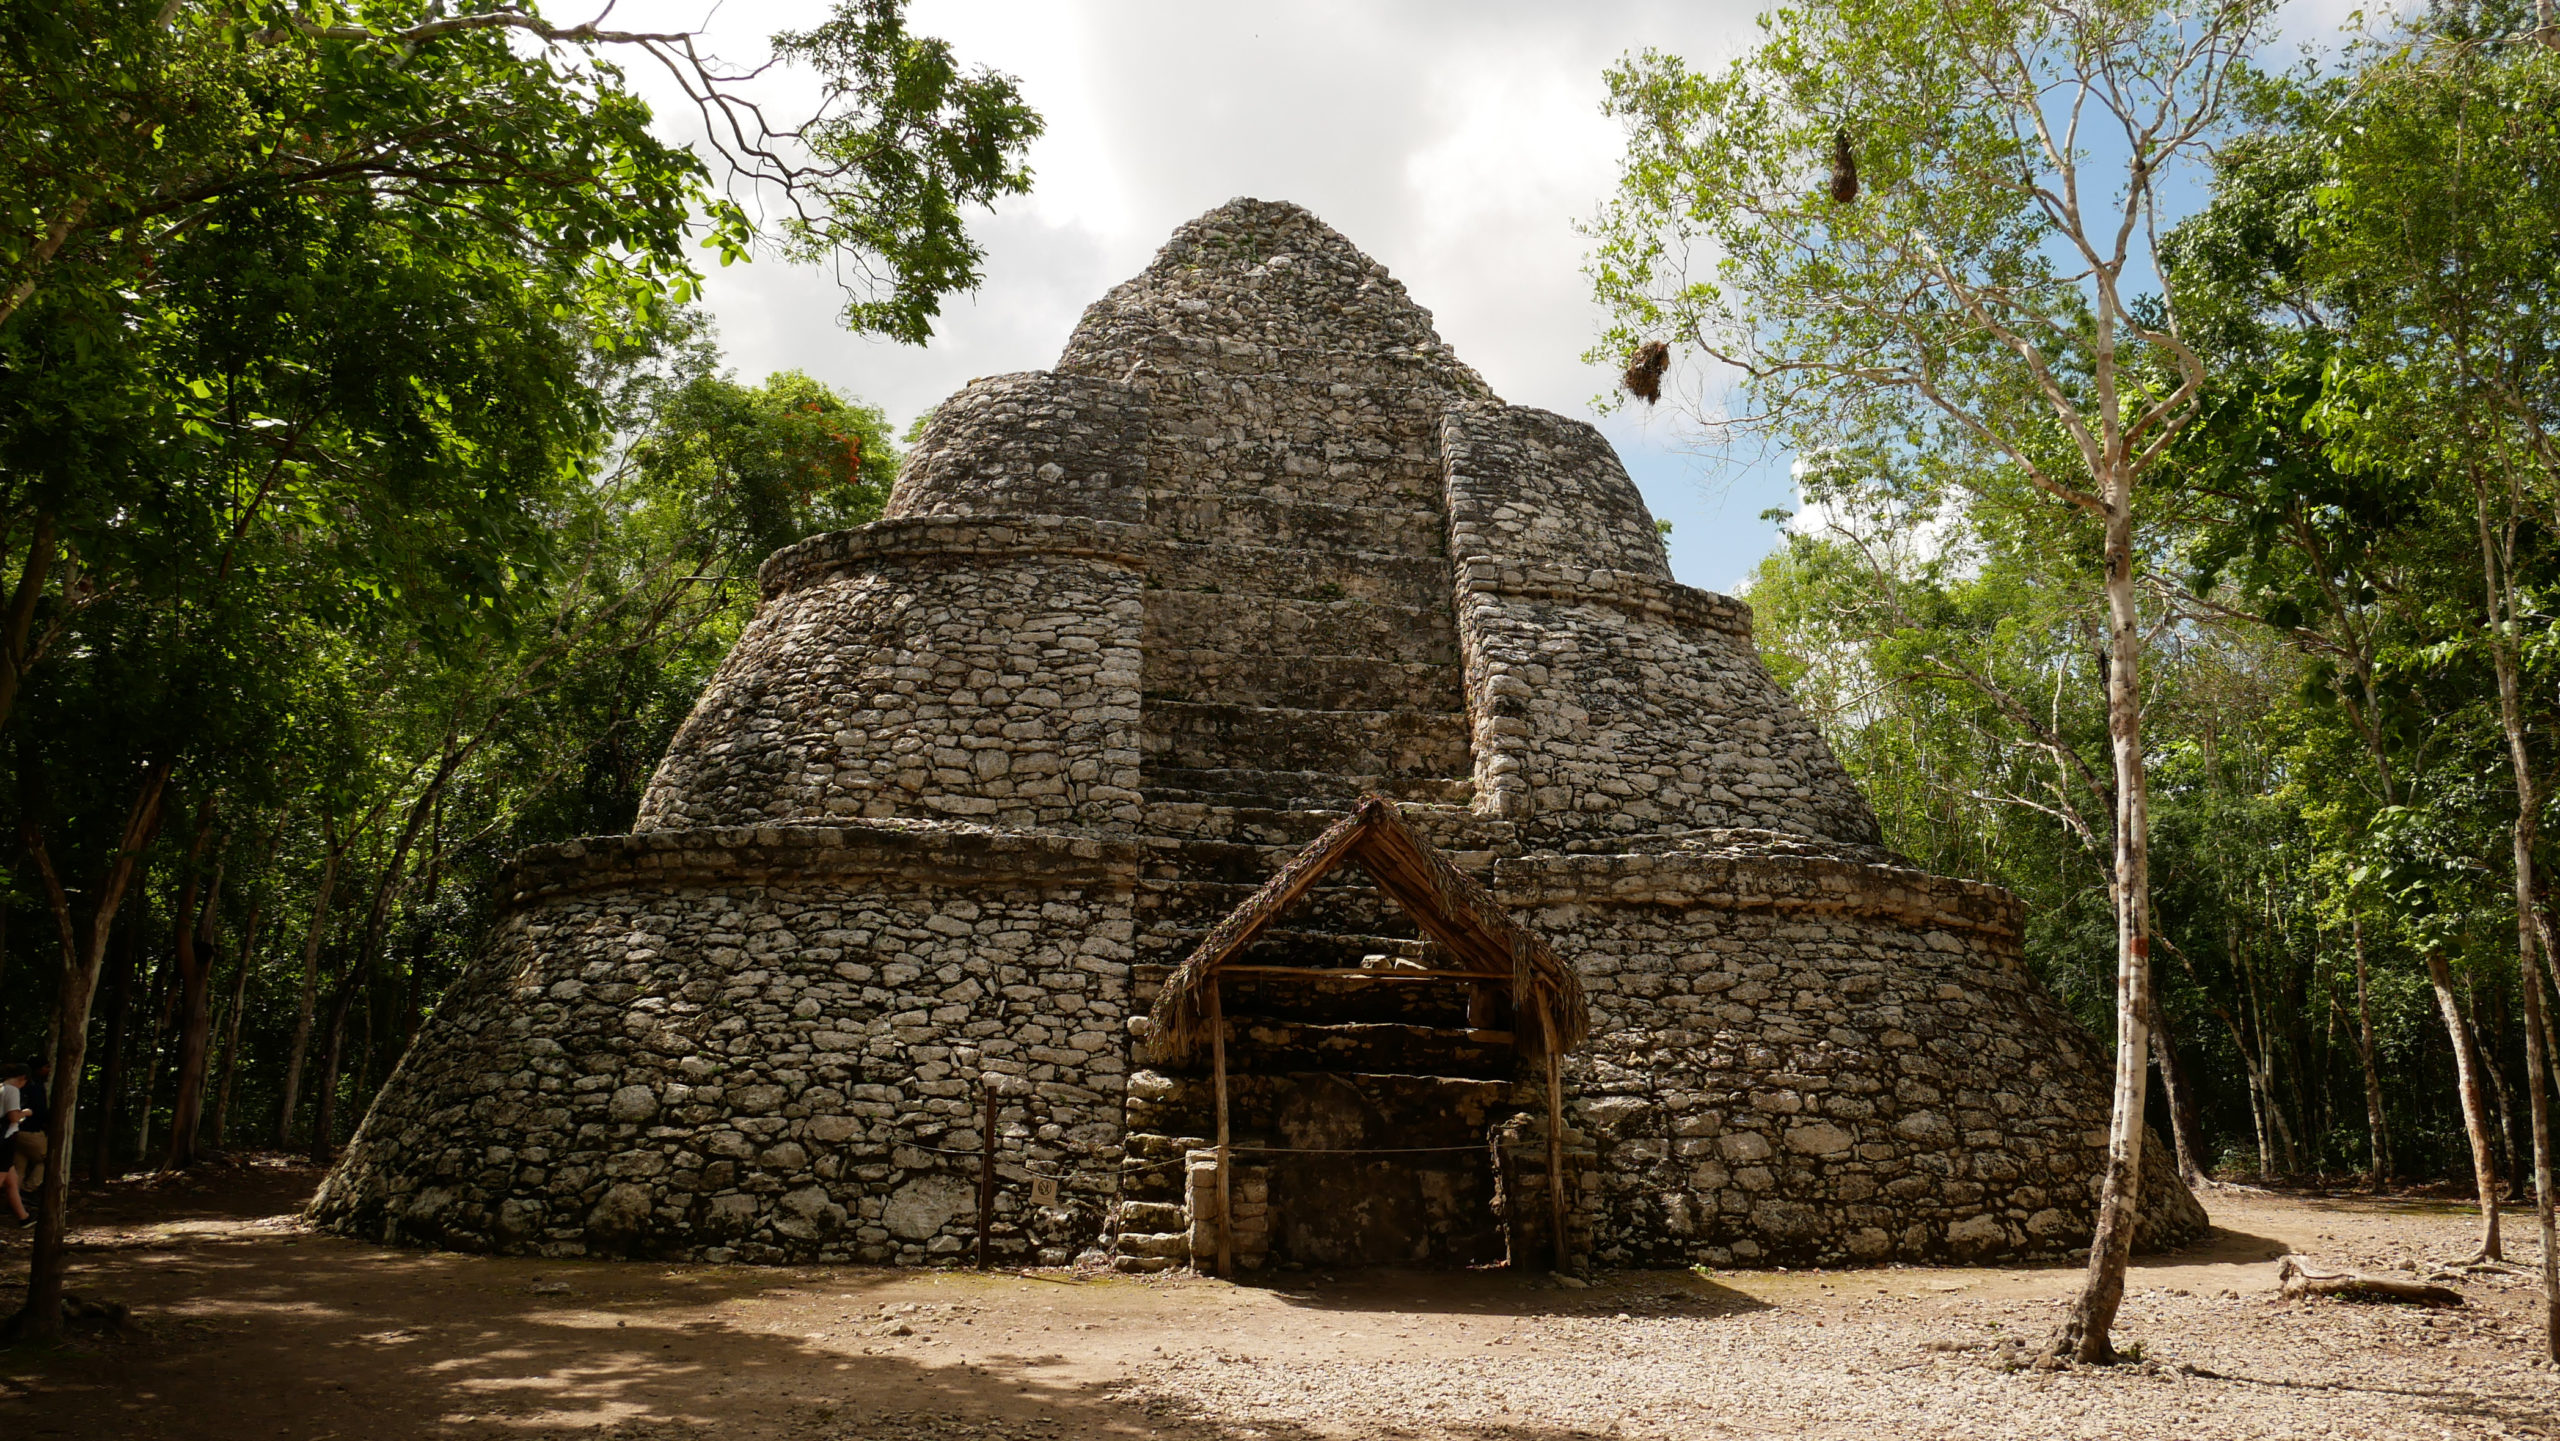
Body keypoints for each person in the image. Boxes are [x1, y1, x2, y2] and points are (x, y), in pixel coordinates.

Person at [15, 1059, 49, 1198]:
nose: (48, 1070)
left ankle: (14, 1196)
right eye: (46, 1067)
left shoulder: (18, 1086)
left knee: (18, 1167)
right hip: (31, 1132)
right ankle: (27, 1190)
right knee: (45, 1161)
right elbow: (40, 1110)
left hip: (16, 1131)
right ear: (37, 1069)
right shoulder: (36, 1087)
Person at [0, 1062, 27, 1226]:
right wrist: (26, 1112)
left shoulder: (1, 1087)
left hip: (4, 1138)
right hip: (5, 1139)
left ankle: (23, 1217)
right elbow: (13, 1117)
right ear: (22, 1078)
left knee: (12, 1181)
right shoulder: (12, 1090)